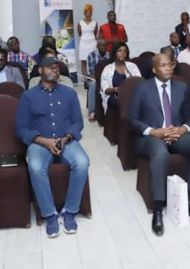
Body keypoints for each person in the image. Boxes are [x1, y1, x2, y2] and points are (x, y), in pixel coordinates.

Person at [129, 53, 190, 236]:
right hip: (152, 136)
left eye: (170, 64)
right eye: (163, 65)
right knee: (161, 154)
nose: (168, 68)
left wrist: (182, 129)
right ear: (154, 69)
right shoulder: (143, 88)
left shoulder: (182, 87)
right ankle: (158, 208)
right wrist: (153, 131)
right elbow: (132, 119)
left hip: (176, 134)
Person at [16, 56, 89, 238]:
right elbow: (21, 128)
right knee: (35, 166)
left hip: (66, 140)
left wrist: (66, 138)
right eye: (49, 67)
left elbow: (78, 122)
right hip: (40, 143)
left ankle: (70, 211)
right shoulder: (28, 96)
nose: (54, 70)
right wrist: (44, 141)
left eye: (56, 67)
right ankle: (50, 215)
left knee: (82, 162)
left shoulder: (69, 93)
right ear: (40, 70)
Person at [99, 42, 141, 115]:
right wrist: (115, 89)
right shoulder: (108, 69)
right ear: (115, 53)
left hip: (131, 95)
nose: (123, 53)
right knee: (122, 103)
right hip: (114, 96)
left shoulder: (132, 66)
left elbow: (140, 83)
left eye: (125, 51)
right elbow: (105, 90)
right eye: (120, 51)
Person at [86, 39, 110, 122]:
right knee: (93, 85)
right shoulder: (91, 55)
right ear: (97, 46)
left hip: (107, 78)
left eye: (105, 45)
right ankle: (92, 112)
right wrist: (100, 80)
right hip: (95, 78)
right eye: (101, 45)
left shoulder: (110, 55)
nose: (103, 47)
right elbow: (91, 72)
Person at [77, 4, 98, 83]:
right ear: (84, 12)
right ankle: (85, 80)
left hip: (92, 44)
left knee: (94, 61)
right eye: (87, 12)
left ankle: (93, 78)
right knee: (83, 61)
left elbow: (95, 34)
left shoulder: (95, 23)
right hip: (83, 44)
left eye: (90, 12)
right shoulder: (80, 23)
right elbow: (79, 34)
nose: (89, 14)